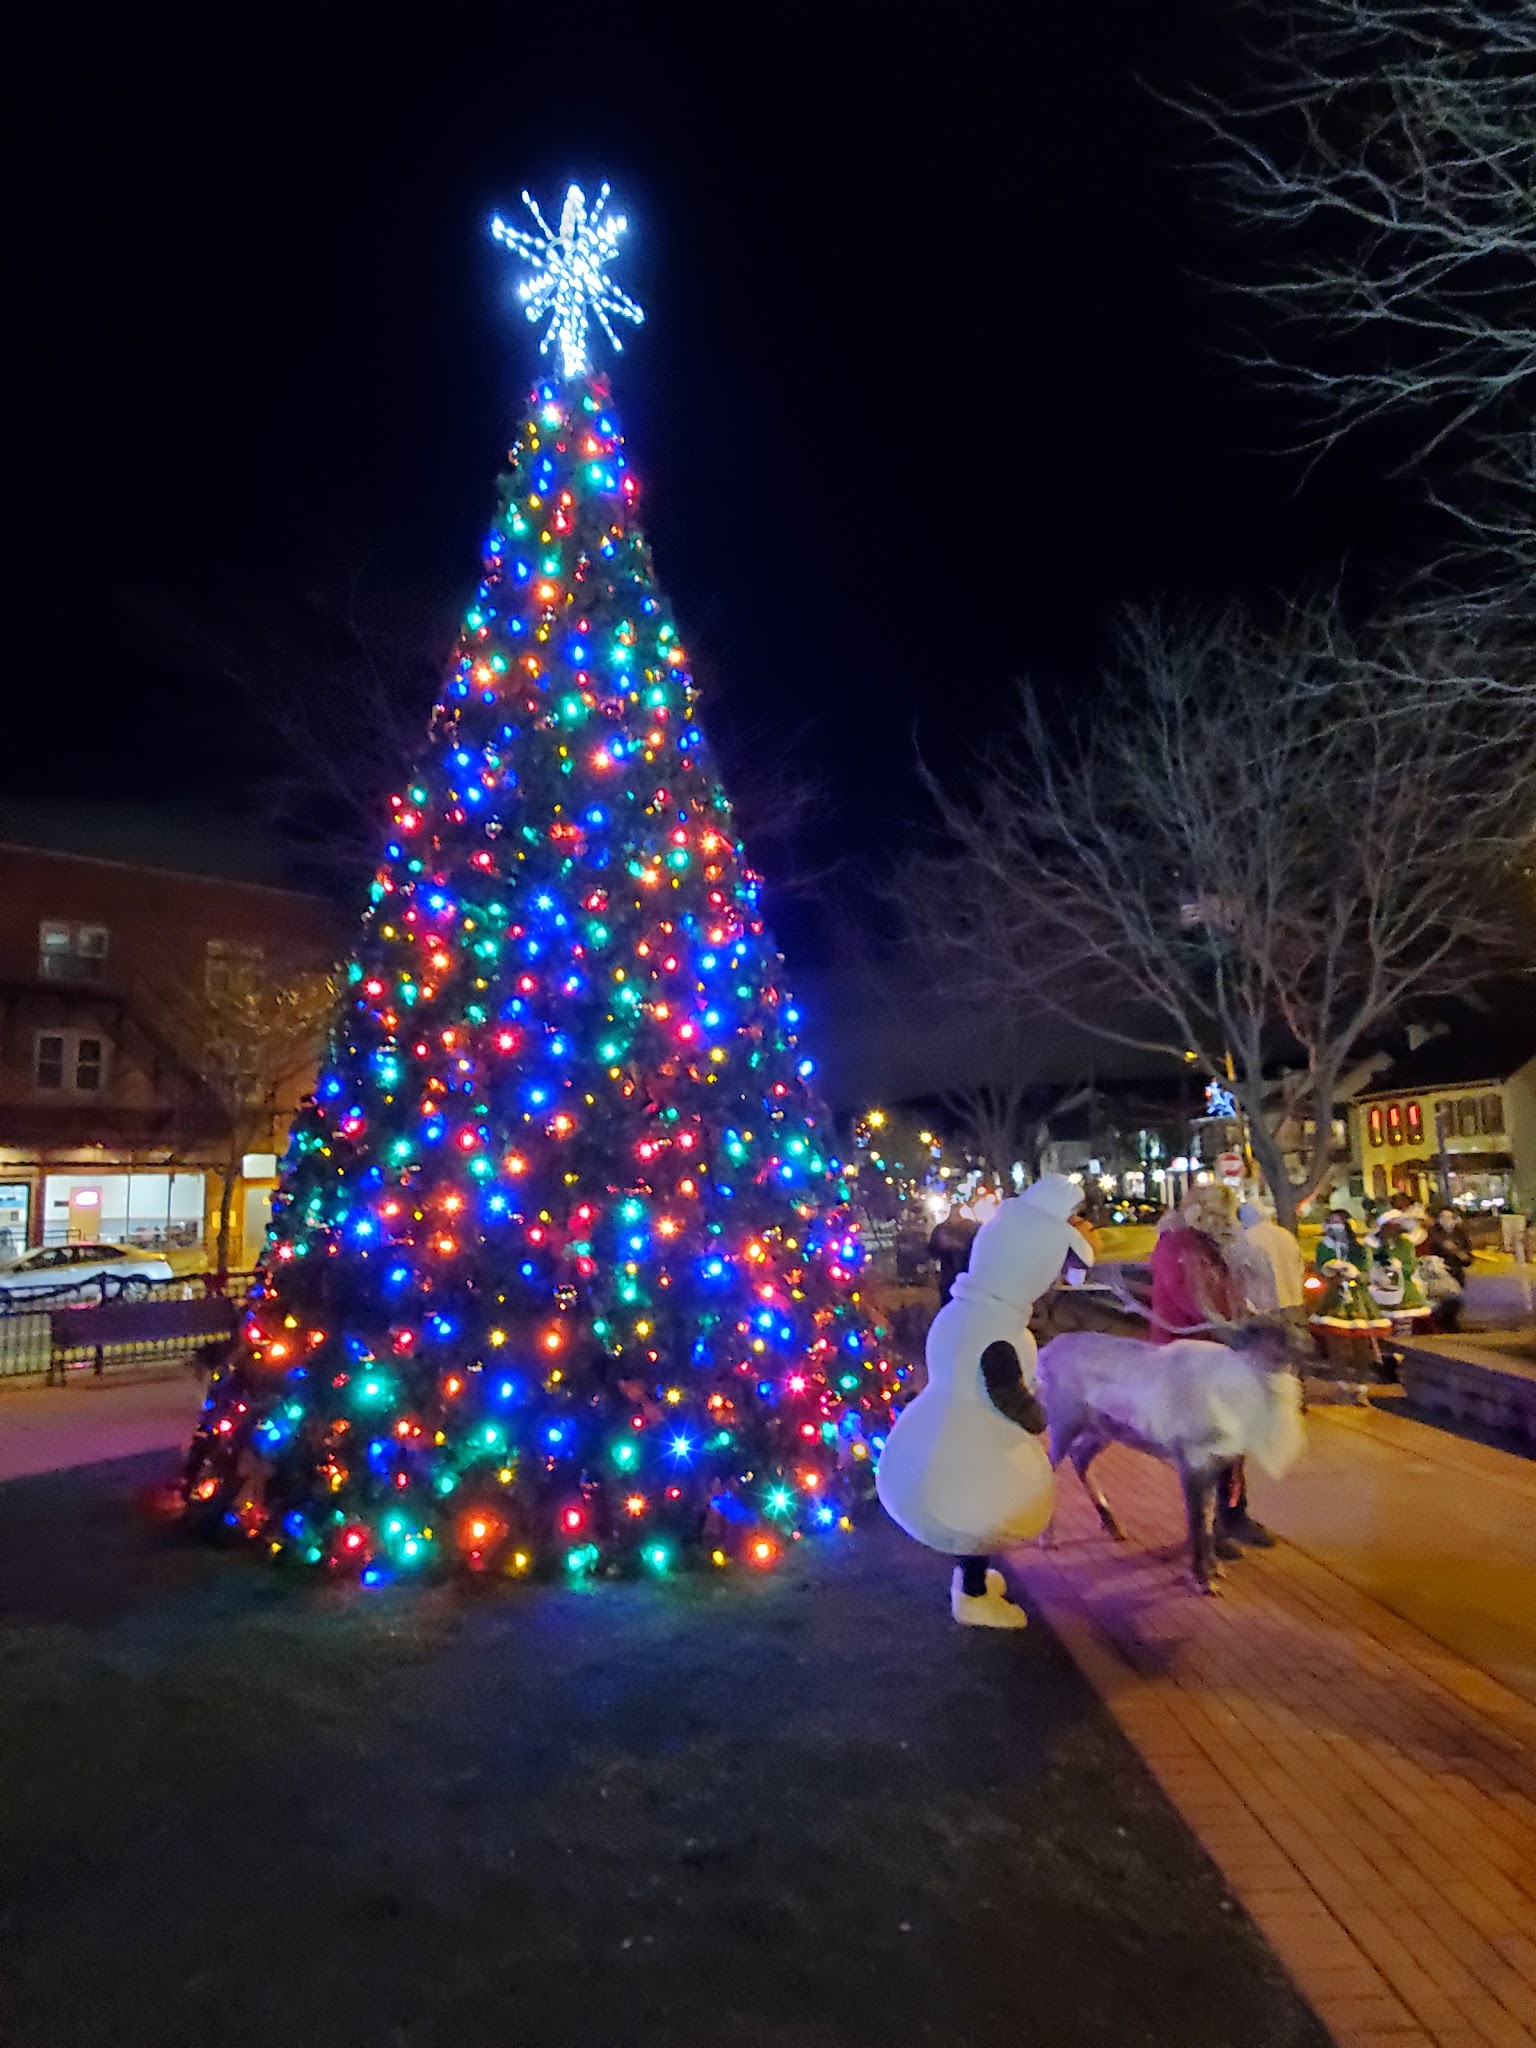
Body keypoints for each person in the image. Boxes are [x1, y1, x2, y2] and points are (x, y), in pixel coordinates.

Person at [1148, 1183, 1274, 1553]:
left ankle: (1232, 1515)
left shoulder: (1204, 1247)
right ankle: (1209, 1529)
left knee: (1230, 1439)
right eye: (1226, 1214)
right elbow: (1194, 1302)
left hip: (1215, 1355)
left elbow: (1226, 1294)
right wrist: (1235, 1327)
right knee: (1207, 1445)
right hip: (1190, 1361)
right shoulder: (1179, 1248)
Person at [1231, 1199, 1306, 1317]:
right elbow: (1300, 1266)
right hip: (1294, 1299)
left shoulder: (1246, 1238)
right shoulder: (1285, 1235)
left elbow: (1239, 1273)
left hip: (1265, 1306)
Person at [928, 1201, 978, 1309]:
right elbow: (933, 1250)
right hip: (960, 1276)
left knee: (949, 1303)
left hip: (954, 1276)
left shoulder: (943, 1229)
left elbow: (933, 1251)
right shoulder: (971, 1228)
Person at [1424, 1207, 1474, 1287]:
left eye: (1449, 1218)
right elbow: (1434, 1246)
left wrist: (1463, 1256)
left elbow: (1468, 1255)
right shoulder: (1433, 1232)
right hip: (1437, 1272)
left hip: (1456, 1272)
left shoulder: (1459, 1233)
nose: (1446, 1220)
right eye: (1443, 1217)